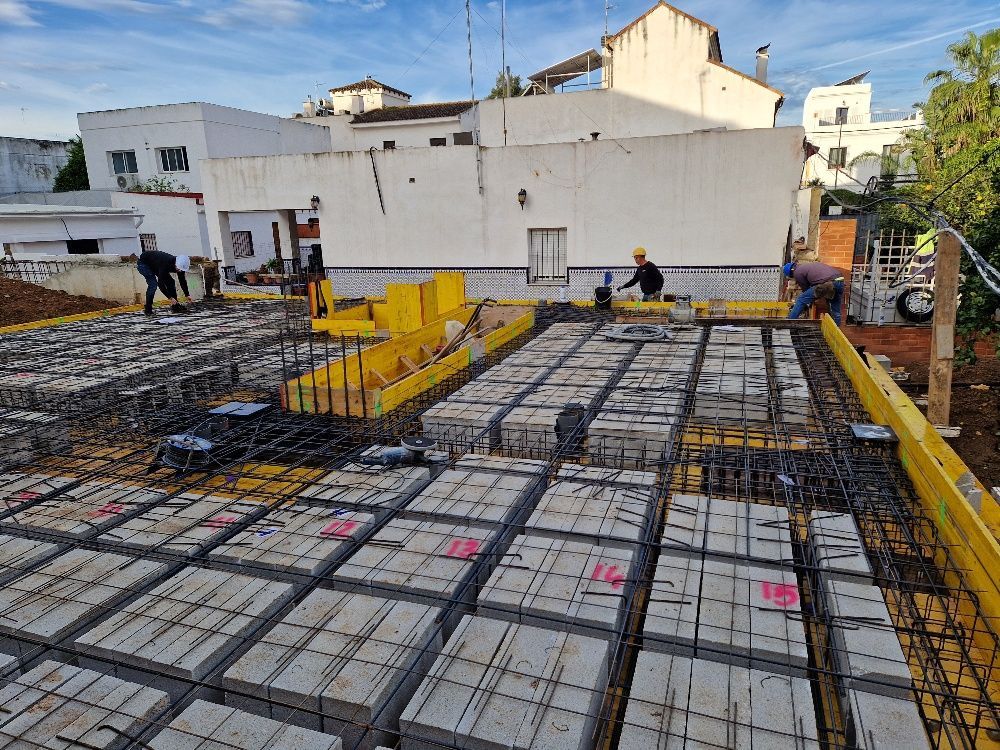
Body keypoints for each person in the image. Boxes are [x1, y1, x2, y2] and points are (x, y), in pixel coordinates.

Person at [784, 260, 845, 325]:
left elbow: (806, 289)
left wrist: (807, 303)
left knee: (801, 300)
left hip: (828, 283)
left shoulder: (797, 272)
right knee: (835, 309)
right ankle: (835, 329)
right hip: (840, 281)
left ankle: (789, 322)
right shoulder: (805, 266)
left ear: (790, 273)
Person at [137, 250, 192, 316]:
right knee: (153, 285)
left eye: (180, 270)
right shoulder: (166, 264)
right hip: (143, 264)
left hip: (155, 264)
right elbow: (161, 284)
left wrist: (187, 294)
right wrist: (170, 298)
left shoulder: (181, 267)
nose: (179, 271)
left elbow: (182, 280)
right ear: (175, 263)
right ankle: (148, 310)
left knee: (171, 282)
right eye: (178, 269)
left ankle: (175, 305)